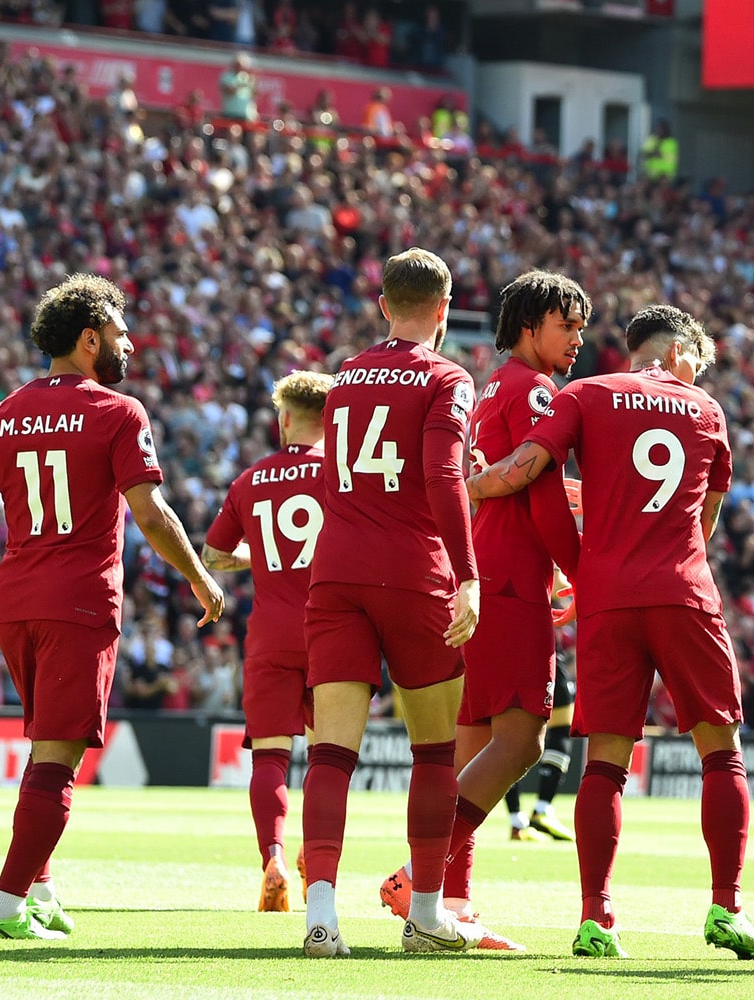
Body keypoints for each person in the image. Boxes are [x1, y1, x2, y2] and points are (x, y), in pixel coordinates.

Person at [0, 274, 226, 941]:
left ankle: (40, 890)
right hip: (78, 604)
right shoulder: (117, 411)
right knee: (58, 763)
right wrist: (198, 576)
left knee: (43, 749)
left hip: (13, 603)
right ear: (88, 337)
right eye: (120, 332)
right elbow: (152, 515)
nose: (128, 344)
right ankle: (6, 908)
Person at [468, 304, 754, 961]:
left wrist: (470, 486)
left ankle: (595, 920)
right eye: (702, 362)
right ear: (682, 351)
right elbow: (705, 521)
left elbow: (528, 465)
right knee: (721, 751)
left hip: (606, 598)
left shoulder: (584, 393)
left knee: (605, 762)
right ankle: (728, 907)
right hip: (683, 591)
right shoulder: (707, 410)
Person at [378, 270, 586, 949]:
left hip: (479, 571)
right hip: (513, 580)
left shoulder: (494, 382)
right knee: (524, 738)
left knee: (471, 742)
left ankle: (448, 910)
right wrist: (582, 574)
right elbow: (546, 499)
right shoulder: (534, 390)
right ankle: (419, 875)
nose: (578, 339)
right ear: (531, 325)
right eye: (567, 325)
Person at [297, 247, 492, 958]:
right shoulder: (447, 376)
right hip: (414, 571)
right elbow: (441, 474)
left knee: (330, 753)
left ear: (384, 305)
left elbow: (330, 475)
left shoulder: (346, 374)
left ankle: (321, 916)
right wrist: (467, 574)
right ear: (444, 309)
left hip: (338, 570)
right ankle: (428, 916)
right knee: (435, 751)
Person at [202, 370, 332, 914]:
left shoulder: (251, 481)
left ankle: (273, 858)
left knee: (270, 761)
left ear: (283, 421)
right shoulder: (344, 476)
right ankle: (316, 861)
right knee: (330, 758)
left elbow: (211, 558)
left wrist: (263, 556)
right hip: (332, 632)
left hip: (272, 634)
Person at [504, 648, 578, 841]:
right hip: (542, 651)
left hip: (500, 654)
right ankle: (542, 810)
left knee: (506, 738)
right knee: (561, 728)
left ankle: (516, 823)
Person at [219, 52, 257, 123]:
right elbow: (227, 91)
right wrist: (241, 84)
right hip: (230, 114)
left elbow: (254, 95)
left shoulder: (248, 77)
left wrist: (255, 82)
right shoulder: (226, 76)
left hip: (245, 116)